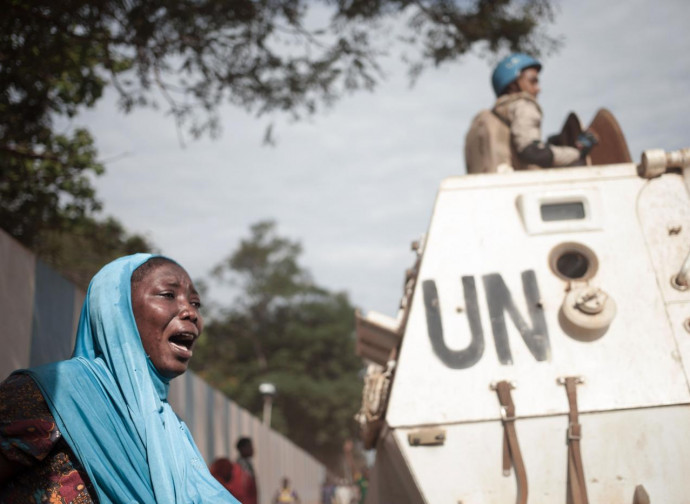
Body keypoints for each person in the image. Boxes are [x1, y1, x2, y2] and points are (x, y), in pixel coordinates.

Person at [0, 254, 241, 503]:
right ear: (117, 308)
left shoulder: (170, 429)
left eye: (196, 304)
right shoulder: (48, 394)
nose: (191, 313)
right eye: (169, 295)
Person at [465, 53, 596, 173]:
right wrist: (578, 153)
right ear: (513, 85)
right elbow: (531, 152)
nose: (538, 89)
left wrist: (552, 144)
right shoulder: (523, 104)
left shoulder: (484, 118)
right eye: (533, 81)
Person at [236, 436, 258, 504]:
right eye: (249, 446)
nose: (252, 449)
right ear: (242, 448)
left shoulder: (248, 464)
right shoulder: (241, 466)